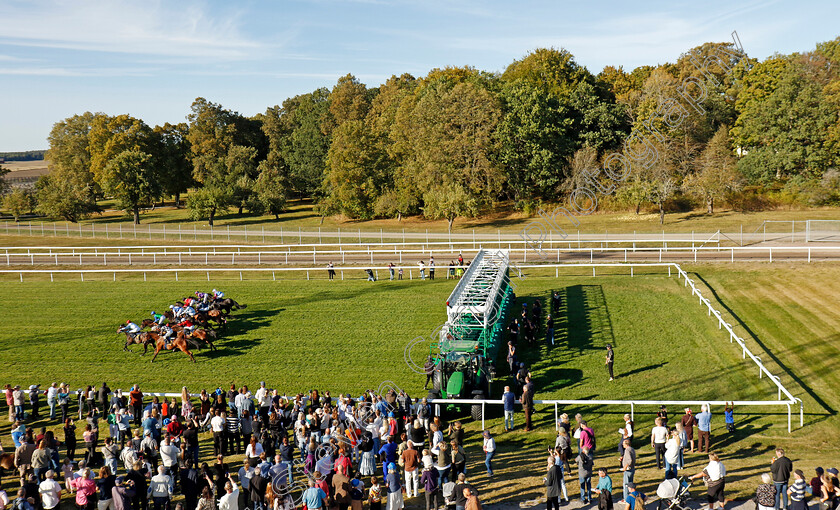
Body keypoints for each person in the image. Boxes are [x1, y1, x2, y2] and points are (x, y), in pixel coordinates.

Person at [619, 438, 635, 503]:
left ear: (626, 444)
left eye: (623, 444)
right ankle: (631, 497)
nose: (622, 445)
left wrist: (625, 467)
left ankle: (626, 499)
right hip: (632, 469)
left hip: (628, 469)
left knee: (626, 485)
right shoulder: (632, 449)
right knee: (631, 484)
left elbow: (629, 460)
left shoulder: (627, 450)